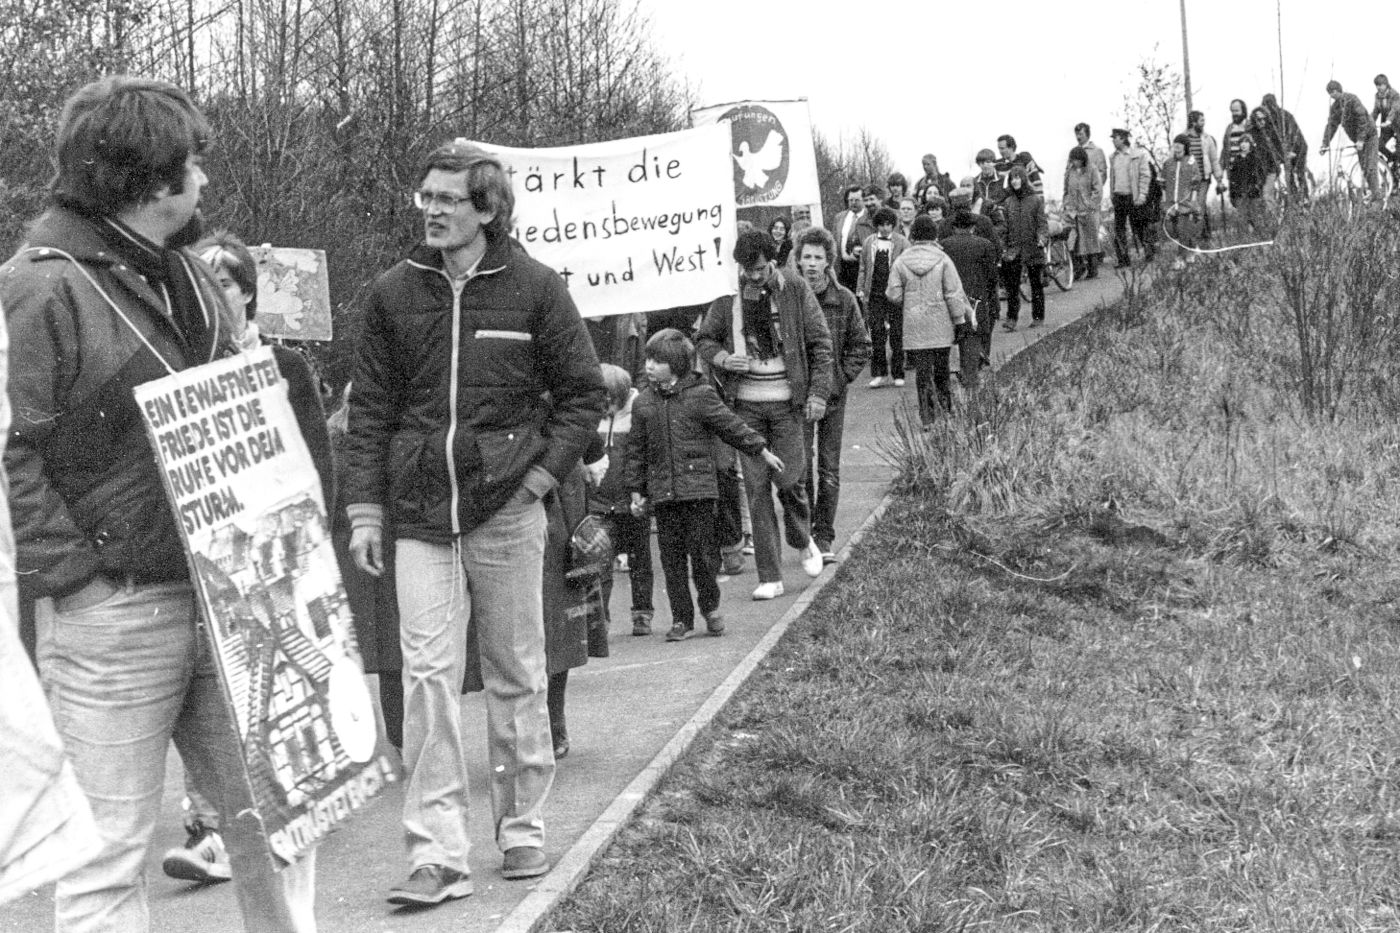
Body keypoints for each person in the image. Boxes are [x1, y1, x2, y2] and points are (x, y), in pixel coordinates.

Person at [1, 75, 318, 931]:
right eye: (192, 165)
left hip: (235, 597)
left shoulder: (192, 275)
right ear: (149, 180)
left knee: (282, 823)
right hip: (115, 617)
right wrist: (84, 581)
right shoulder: (37, 288)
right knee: (106, 861)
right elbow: (12, 455)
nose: (205, 182)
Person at [343, 139, 606, 905]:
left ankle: (522, 826)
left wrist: (539, 478)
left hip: (506, 512)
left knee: (516, 669)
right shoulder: (394, 293)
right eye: (424, 196)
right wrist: (366, 508)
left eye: (447, 198)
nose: (429, 209)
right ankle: (437, 852)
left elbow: (583, 394)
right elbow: (370, 411)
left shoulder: (535, 289)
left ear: (486, 208)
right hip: (421, 515)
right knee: (424, 677)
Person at [155, 231, 339, 888]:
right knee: (213, 707)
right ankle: (210, 829)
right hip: (208, 570)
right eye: (200, 282)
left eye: (225, 281)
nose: (213, 293)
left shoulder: (286, 366)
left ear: (247, 291)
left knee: (281, 693)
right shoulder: (175, 367)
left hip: (280, 562)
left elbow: (319, 464)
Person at [695, 229, 832, 601]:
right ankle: (769, 576)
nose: (753, 276)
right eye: (746, 270)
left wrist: (818, 393)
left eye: (758, 269)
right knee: (756, 489)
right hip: (747, 406)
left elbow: (820, 344)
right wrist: (724, 358)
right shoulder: (728, 300)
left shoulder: (795, 289)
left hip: (789, 404)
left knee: (790, 482)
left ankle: (803, 539)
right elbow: (705, 340)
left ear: (772, 261)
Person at [626, 329, 782, 640]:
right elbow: (636, 452)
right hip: (663, 494)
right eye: (647, 360)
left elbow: (731, 425)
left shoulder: (701, 394)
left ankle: (710, 607)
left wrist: (760, 449)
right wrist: (636, 491)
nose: (649, 366)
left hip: (698, 492)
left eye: (656, 361)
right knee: (671, 563)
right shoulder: (643, 403)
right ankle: (681, 619)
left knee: (702, 556)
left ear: (677, 364)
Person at [792, 227, 871, 563]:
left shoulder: (844, 299)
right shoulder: (790, 298)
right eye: (806, 257)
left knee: (828, 467)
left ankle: (824, 536)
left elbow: (861, 345)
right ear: (797, 259)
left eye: (818, 258)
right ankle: (806, 532)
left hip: (833, 398)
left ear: (829, 261)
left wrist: (840, 378)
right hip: (798, 396)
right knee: (802, 466)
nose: (811, 264)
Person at [886, 215, 972, 426]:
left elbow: (894, 294)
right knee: (942, 370)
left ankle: (927, 418)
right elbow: (953, 293)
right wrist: (959, 320)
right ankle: (947, 414)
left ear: (913, 235)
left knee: (922, 373)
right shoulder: (943, 259)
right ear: (934, 235)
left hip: (915, 325)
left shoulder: (901, 261)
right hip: (940, 323)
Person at [588, 364, 655, 636]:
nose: (607, 409)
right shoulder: (592, 418)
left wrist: (644, 493)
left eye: (611, 402)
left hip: (632, 502)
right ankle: (598, 621)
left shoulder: (638, 414)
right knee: (598, 565)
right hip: (599, 503)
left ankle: (642, 614)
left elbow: (646, 459)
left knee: (640, 562)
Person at [940, 209, 1001, 382]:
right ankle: (972, 373)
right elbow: (992, 277)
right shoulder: (985, 245)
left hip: (951, 299)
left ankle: (953, 372)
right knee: (973, 337)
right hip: (977, 300)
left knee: (952, 337)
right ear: (973, 227)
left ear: (954, 227)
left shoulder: (944, 245)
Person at [856, 207, 909, 388]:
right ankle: (878, 373)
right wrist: (861, 288)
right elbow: (863, 267)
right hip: (875, 293)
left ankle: (897, 373)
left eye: (888, 224)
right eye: (881, 225)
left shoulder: (902, 242)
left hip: (895, 294)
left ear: (893, 225)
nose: (885, 228)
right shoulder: (869, 242)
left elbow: (907, 268)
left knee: (897, 334)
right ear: (876, 225)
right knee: (876, 333)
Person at [999, 166, 1048, 331]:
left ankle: (1038, 317)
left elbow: (1042, 224)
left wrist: (1042, 239)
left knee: (1036, 285)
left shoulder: (1035, 200)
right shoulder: (1008, 202)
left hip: (1033, 247)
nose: (1015, 181)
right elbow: (1004, 228)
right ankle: (1011, 319)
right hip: (1014, 249)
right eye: (1012, 178)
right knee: (1012, 287)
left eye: (1018, 177)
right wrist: (1003, 247)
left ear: (1024, 179)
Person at [1321, 79, 1382, 201]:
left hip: (1369, 136)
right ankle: (1373, 192)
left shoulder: (1352, 99)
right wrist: (1324, 144)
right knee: (1364, 167)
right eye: (1329, 94)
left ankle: (1378, 197)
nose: (1331, 96)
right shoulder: (1335, 108)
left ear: (1338, 90)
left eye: (1332, 92)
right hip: (1358, 140)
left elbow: (1362, 119)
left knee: (1370, 166)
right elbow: (1331, 125)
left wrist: (1360, 139)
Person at [1109, 128, 1154, 266]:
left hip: (1133, 197)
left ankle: (1149, 252)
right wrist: (1112, 193)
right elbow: (1113, 177)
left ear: (1123, 138)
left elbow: (1145, 175)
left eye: (1115, 138)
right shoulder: (1113, 157)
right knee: (1119, 229)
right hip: (1119, 197)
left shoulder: (1138, 155)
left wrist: (1142, 195)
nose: (1113, 141)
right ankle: (1123, 258)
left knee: (1139, 225)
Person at [1062, 146, 1104, 279]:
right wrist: (1066, 205)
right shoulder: (1069, 171)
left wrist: (1090, 205)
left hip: (1089, 211)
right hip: (1073, 211)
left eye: (1077, 160)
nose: (1075, 163)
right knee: (1073, 239)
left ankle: (1093, 268)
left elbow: (1098, 190)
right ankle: (1078, 267)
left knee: (1090, 239)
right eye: (1073, 160)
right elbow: (1066, 190)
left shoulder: (1092, 169)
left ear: (1082, 159)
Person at [1160, 134, 1202, 264]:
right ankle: (1193, 248)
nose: (1177, 146)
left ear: (1185, 146)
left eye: (1180, 143)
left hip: (1185, 203)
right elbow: (1163, 183)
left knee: (1183, 229)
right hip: (1171, 204)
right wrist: (1164, 201)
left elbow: (1196, 183)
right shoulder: (1168, 163)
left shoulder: (1191, 162)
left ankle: (1180, 258)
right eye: (1175, 143)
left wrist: (1193, 201)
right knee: (1175, 231)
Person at [1185, 110, 1223, 241]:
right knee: (1192, 206)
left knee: (1199, 205)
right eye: (1201, 121)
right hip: (1188, 180)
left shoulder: (1207, 139)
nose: (1203, 123)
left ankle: (1197, 237)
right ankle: (1204, 234)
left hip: (1203, 179)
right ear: (1193, 122)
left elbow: (1214, 159)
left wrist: (1218, 178)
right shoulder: (1184, 138)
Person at [1261, 93, 1308, 199]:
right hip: (1283, 151)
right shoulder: (1268, 120)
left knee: (1297, 174)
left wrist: (1292, 151)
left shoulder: (1284, 116)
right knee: (1287, 177)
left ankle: (1304, 199)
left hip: (1298, 148)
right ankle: (1293, 200)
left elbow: (1293, 134)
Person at [1228, 133, 1271, 234]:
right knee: (1242, 218)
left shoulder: (1255, 158)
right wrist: (1232, 194)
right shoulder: (1236, 160)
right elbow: (1232, 179)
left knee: (1255, 216)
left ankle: (1260, 239)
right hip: (1240, 193)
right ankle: (1244, 241)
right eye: (1242, 142)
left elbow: (1262, 175)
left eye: (1246, 142)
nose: (1243, 144)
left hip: (1253, 193)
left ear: (1250, 144)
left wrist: (1257, 186)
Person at [832, 185, 871, 295]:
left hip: (861, 267)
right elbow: (834, 240)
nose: (853, 203)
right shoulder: (839, 217)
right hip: (843, 266)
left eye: (857, 200)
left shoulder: (869, 218)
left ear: (863, 200)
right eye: (851, 200)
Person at [1250, 106, 1285, 212]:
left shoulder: (1272, 132)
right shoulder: (1251, 133)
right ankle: (1264, 224)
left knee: (1267, 196)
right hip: (1256, 171)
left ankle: (1273, 223)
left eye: (1263, 119)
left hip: (1270, 169)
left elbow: (1279, 150)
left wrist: (1281, 159)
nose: (1261, 122)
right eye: (1258, 119)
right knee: (1258, 199)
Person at [1375, 74, 1399, 173]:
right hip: (1386, 127)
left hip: (1397, 124)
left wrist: (1389, 120)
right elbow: (1376, 110)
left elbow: (1395, 109)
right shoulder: (1377, 96)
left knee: (1399, 150)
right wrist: (1369, 121)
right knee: (1378, 145)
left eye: (1380, 85)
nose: (1378, 88)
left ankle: (1396, 164)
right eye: (1376, 85)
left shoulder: (1394, 95)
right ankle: (1392, 160)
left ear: (1386, 84)